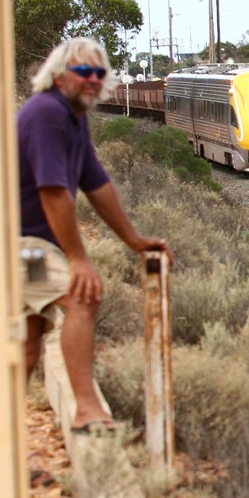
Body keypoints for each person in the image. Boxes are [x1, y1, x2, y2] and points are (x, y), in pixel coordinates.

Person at [18, 37, 172, 436]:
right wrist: (77, 259)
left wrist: (134, 240)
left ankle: (4, 450)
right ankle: (87, 410)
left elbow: (96, 183)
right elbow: (52, 192)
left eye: (99, 73)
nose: (92, 79)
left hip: (31, 246)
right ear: (58, 74)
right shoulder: (48, 113)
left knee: (28, 342)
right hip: (20, 247)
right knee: (82, 293)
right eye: (83, 71)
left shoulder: (72, 116)